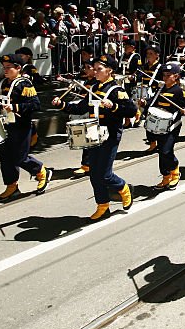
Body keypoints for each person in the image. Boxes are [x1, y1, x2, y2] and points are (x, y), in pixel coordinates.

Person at [53, 54, 138, 220]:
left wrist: (114, 106)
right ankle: (103, 205)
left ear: (109, 71)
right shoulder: (92, 88)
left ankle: (123, 188)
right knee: (94, 174)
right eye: (95, 68)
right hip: (93, 135)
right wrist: (62, 105)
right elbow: (80, 108)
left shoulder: (117, 91)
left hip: (110, 135)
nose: (95, 71)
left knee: (105, 174)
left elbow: (131, 111)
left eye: (99, 69)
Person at [0, 53, 53, 200]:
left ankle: (41, 172)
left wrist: (15, 107)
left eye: (9, 68)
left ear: (18, 68)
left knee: (20, 157)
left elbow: (35, 105)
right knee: (6, 156)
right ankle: (12, 186)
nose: (5, 70)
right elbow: (0, 102)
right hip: (6, 125)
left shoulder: (24, 84)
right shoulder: (4, 84)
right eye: (4, 68)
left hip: (22, 126)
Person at [139, 61, 185, 190]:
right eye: (164, 75)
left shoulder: (180, 91)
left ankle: (175, 172)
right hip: (159, 124)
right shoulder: (161, 89)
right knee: (161, 151)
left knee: (166, 150)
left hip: (172, 125)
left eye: (169, 75)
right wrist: (144, 103)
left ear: (176, 76)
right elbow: (152, 102)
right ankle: (165, 176)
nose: (165, 77)